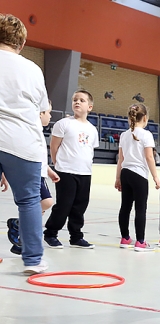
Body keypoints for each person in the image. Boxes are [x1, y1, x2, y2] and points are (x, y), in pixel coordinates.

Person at [0, 13, 50, 274]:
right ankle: (33, 260)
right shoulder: (32, 68)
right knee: (29, 201)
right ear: (20, 43)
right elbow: (43, 114)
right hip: (22, 141)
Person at [43, 89, 99, 249]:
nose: (77, 102)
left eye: (81, 100)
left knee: (80, 205)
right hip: (66, 171)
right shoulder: (64, 124)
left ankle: (76, 236)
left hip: (85, 172)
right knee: (64, 205)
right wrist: (57, 165)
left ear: (90, 106)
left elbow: (89, 150)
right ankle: (51, 233)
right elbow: (54, 147)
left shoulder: (92, 129)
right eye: (75, 100)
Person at [6, 101, 60, 256]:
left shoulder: (39, 132)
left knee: (39, 208)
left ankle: (21, 241)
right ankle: (19, 224)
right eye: (48, 113)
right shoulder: (31, 131)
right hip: (33, 173)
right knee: (45, 202)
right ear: (40, 114)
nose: (50, 116)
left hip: (41, 172)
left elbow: (41, 157)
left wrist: (49, 171)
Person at [115, 104, 160, 251]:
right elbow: (149, 157)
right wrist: (155, 177)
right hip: (139, 175)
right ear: (145, 118)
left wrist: (118, 178)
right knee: (140, 208)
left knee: (125, 206)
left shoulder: (124, 135)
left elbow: (120, 159)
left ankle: (125, 237)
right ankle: (140, 241)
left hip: (125, 173)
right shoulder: (147, 135)